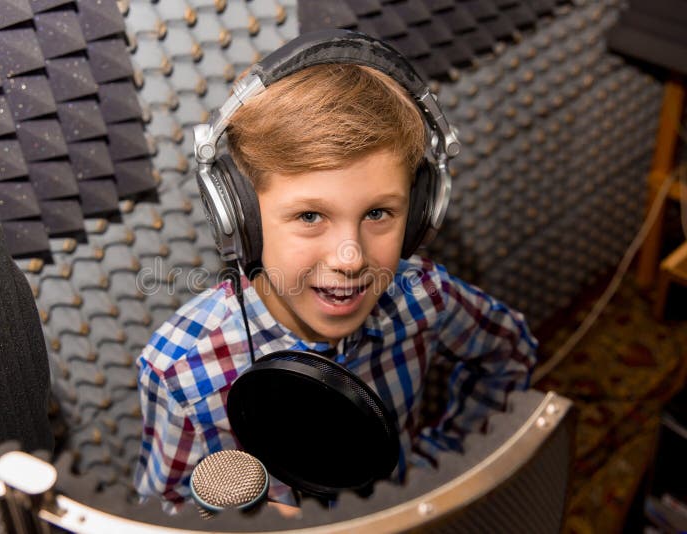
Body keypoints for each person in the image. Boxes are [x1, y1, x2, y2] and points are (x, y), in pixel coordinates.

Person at [134, 31, 537, 513]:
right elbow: (164, 510)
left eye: (378, 214)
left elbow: (508, 352)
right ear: (238, 220)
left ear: (418, 215)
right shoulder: (180, 370)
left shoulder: (422, 297)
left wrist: (440, 469)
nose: (350, 258)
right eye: (310, 217)